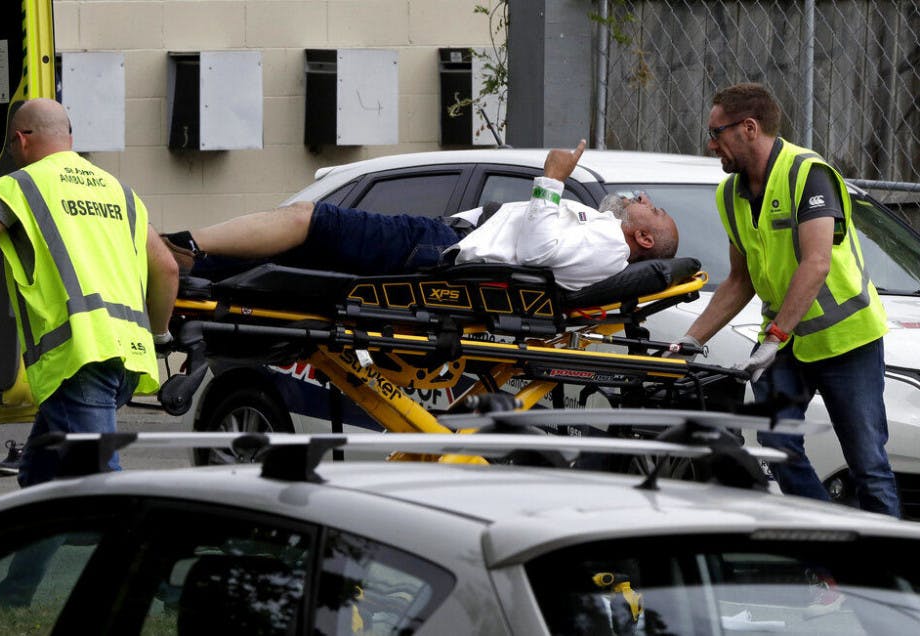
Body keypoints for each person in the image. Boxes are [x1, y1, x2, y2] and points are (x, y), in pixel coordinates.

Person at [0, 98, 179, 487]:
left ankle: (139, 549)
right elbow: (167, 268)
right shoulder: (119, 191)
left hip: (79, 361)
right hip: (127, 359)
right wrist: (159, 336)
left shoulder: (21, 186)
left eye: (10, 144)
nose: (11, 152)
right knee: (39, 484)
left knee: (102, 489)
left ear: (22, 140)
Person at [672, 83, 898, 517]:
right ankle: (830, 547)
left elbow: (816, 264)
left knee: (867, 462)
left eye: (716, 133)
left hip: (845, 339)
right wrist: (690, 339)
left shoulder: (807, 174)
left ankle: (894, 574)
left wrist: (774, 338)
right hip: (786, 341)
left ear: (749, 128)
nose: (710, 144)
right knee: (776, 445)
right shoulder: (730, 193)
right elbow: (740, 281)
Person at [164, 140, 679, 291]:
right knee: (298, 250)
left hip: (443, 247)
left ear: (644, 240)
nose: (638, 197)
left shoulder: (611, 244)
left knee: (307, 217)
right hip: (446, 239)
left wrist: (551, 178)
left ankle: (180, 245)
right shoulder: (603, 231)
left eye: (649, 207)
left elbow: (539, 251)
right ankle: (190, 270)